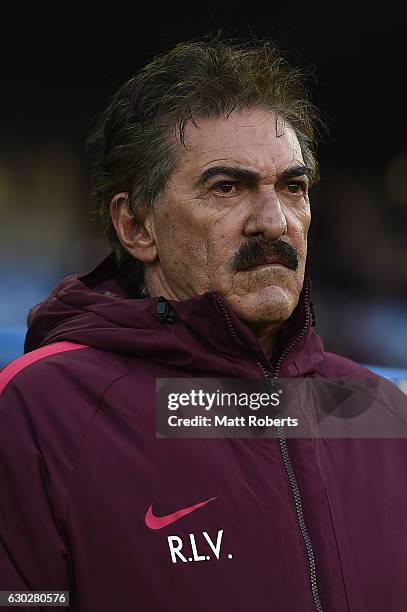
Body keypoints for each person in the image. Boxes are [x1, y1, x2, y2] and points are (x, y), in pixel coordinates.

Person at [0, 35, 406, 612]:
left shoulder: (381, 413)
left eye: (293, 187)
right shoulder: (43, 410)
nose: (274, 221)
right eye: (227, 187)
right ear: (136, 227)